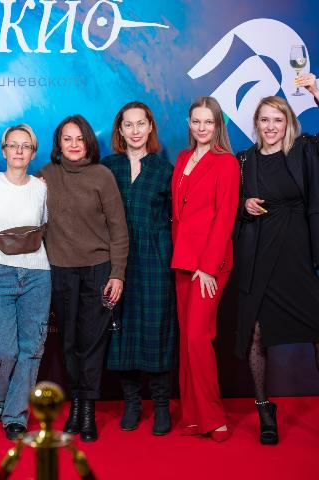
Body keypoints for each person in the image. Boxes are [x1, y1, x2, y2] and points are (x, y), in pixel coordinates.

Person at [234, 76, 319, 446]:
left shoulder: (303, 151)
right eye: (264, 119)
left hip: (298, 252)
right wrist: (244, 205)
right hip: (259, 255)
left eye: (278, 120)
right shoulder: (244, 160)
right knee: (256, 332)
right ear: (256, 123)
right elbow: (226, 204)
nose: (270, 126)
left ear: (288, 123)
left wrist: (316, 92)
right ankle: (264, 409)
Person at [39, 115, 129, 442]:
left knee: (92, 342)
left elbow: (118, 229)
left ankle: (87, 408)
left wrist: (117, 273)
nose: (74, 145)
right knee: (69, 342)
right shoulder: (46, 176)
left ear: (88, 141)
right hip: (61, 270)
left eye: (79, 138)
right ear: (58, 144)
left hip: (98, 269)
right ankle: (75, 404)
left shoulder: (102, 176)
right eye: (67, 139)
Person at [103, 102, 177, 435]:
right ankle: (132, 403)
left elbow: (180, 217)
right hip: (118, 261)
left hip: (156, 259)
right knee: (123, 331)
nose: (135, 131)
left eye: (140, 124)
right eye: (128, 125)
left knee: (156, 329)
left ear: (150, 127)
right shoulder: (108, 167)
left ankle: (161, 405)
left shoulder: (165, 170)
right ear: (120, 130)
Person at [0, 124, 50, 440]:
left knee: (31, 348)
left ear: (33, 153)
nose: (19, 151)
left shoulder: (42, 188)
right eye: (13, 145)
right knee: (3, 351)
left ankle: (15, 416)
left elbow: (46, 224)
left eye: (26, 146)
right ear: (4, 150)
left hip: (37, 273)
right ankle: (2, 397)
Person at [171, 96, 239, 442]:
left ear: (218, 125)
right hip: (183, 261)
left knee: (198, 338)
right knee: (187, 340)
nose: (202, 128)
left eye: (208, 122)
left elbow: (225, 216)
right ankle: (193, 416)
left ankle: (214, 416)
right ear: (189, 123)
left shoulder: (226, 162)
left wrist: (209, 267)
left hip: (209, 265)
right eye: (196, 121)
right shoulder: (183, 158)